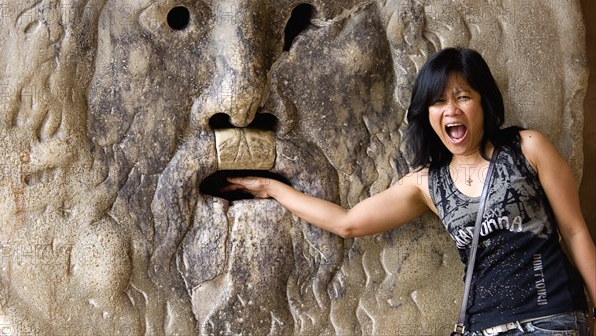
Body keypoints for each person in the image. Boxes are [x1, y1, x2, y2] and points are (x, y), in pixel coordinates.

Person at [226, 47, 596, 336]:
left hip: (551, 318)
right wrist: (271, 187)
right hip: (483, 325)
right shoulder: (427, 183)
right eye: (438, 101)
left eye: (463, 96)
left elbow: (576, 231)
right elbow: (348, 222)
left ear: (483, 101)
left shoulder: (527, 148)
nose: (451, 109)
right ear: (428, 114)